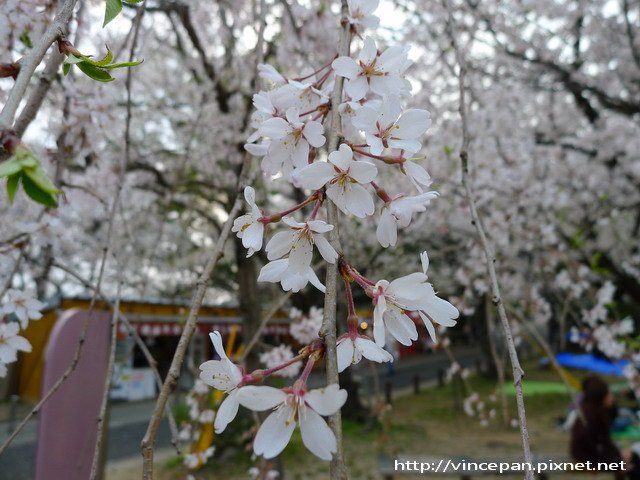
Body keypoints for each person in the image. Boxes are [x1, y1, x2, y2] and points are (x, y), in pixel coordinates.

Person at [570, 375, 640, 479]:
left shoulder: (596, 412)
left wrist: (619, 456)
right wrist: (617, 461)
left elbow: (604, 442)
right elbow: (591, 447)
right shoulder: (589, 417)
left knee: (633, 458)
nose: (612, 397)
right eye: (609, 394)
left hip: (601, 457)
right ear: (601, 397)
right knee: (634, 466)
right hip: (594, 459)